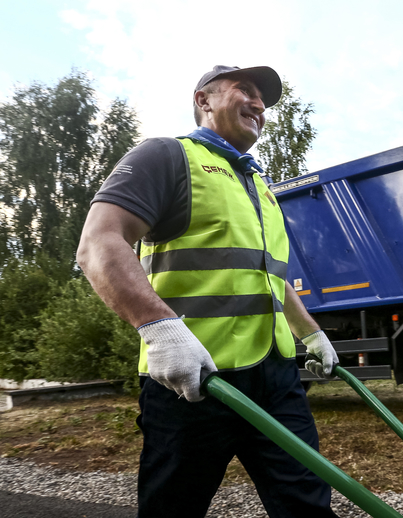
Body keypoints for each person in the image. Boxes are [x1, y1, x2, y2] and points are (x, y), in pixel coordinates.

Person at [77, 65, 340, 518]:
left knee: (308, 504)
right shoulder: (167, 156)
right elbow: (98, 244)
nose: (259, 104)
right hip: (194, 383)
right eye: (246, 90)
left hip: (276, 381)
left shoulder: (260, 185)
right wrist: (158, 328)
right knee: (172, 509)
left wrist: (311, 334)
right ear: (204, 100)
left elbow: (267, 275)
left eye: (264, 100)